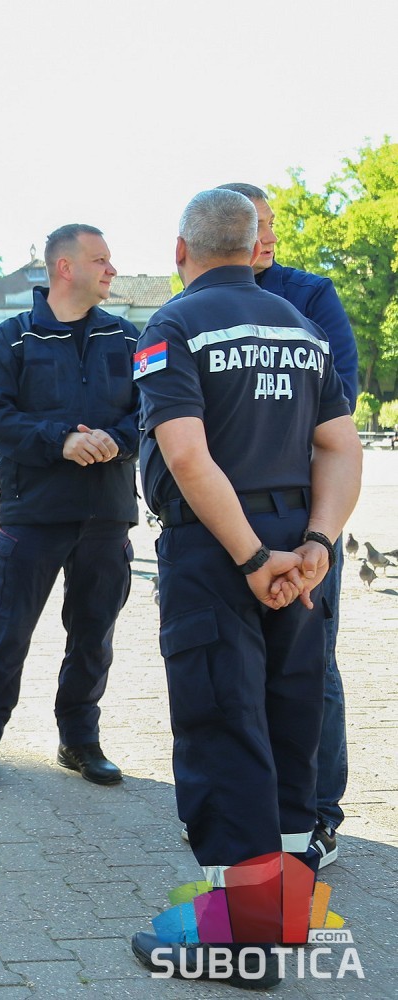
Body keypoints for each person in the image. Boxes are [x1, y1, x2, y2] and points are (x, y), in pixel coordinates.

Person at [130, 189, 360, 987]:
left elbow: (186, 456)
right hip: (299, 551)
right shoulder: (300, 326)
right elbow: (341, 447)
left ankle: (240, 945)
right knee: (290, 727)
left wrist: (252, 557)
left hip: (218, 552)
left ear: (181, 251)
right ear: (254, 244)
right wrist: (317, 544)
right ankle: (278, 920)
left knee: (222, 728)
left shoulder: (174, 326)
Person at [0, 225, 140, 791]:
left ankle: (79, 741)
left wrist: (117, 440)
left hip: (107, 513)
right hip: (33, 514)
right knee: (7, 633)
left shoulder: (128, 338)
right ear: (65, 267)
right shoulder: (13, 339)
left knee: (93, 636)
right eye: (100, 259)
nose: (112, 269)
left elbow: (155, 408)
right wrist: (61, 439)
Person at [215, 182, 356, 867]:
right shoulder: (200, 305)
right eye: (254, 225)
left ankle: (319, 815)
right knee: (234, 668)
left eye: (271, 224)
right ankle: (251, 813)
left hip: (305, 515)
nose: (265, 237)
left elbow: (339, 400)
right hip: (225, 518)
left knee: (311, 666)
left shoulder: (311, 297)